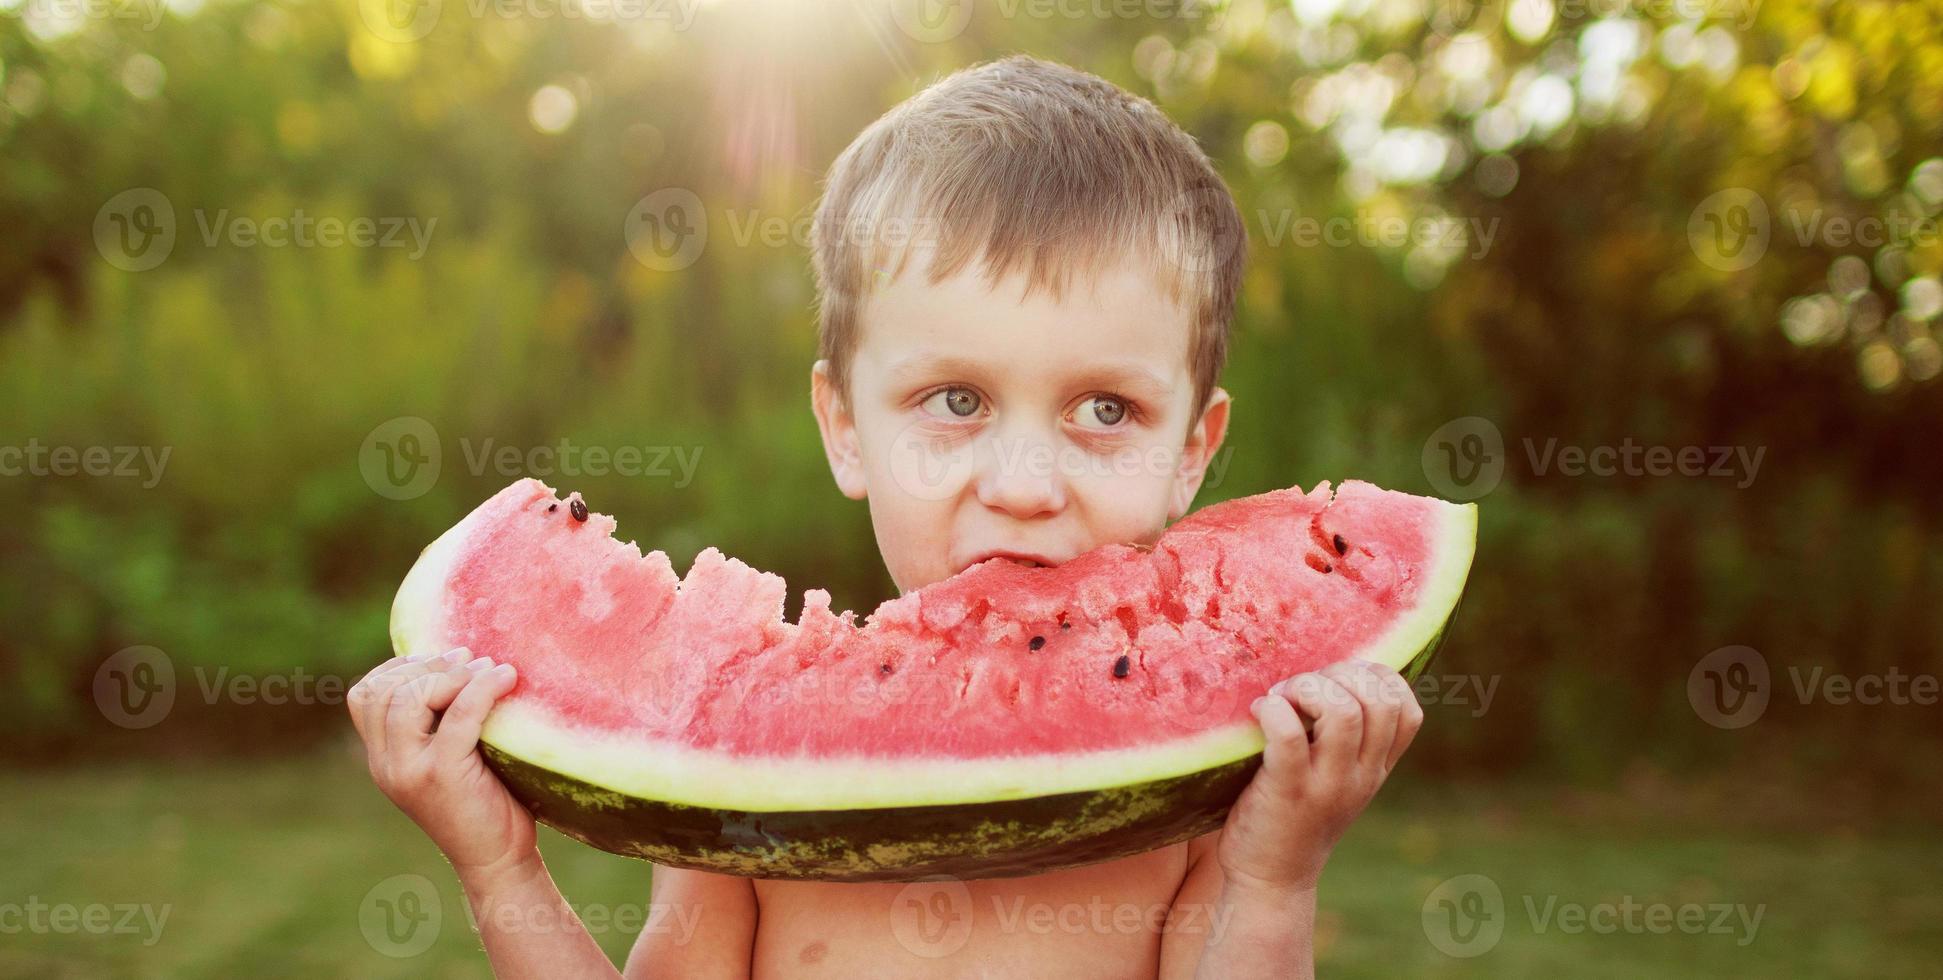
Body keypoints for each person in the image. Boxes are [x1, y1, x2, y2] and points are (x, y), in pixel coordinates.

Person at [349, 54, 1423, 979]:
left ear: (1194, 447)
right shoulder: (746, 795)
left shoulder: (1198, 816)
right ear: (844, 426)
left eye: (1106, 409)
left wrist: (1274, 876)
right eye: (954, 400)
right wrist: (500, 868)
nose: (1022, 482)